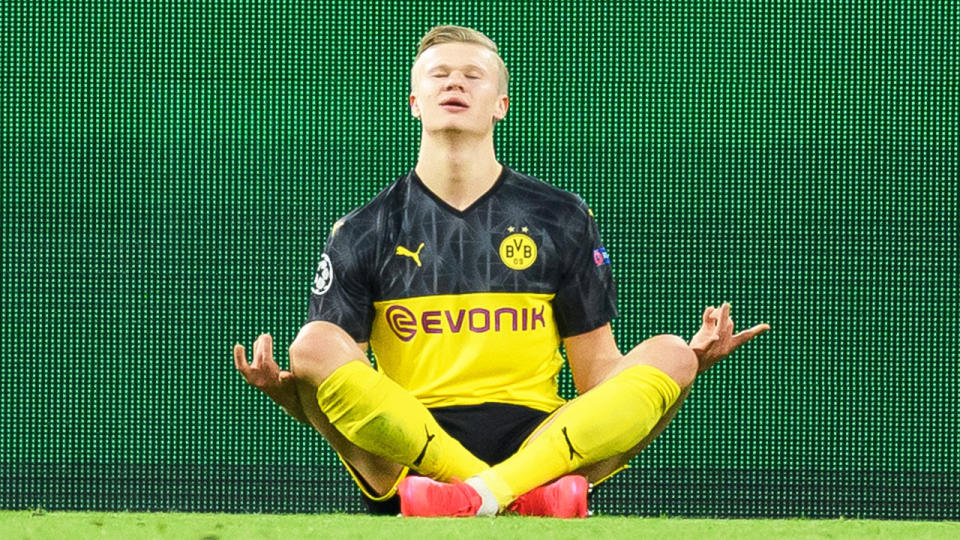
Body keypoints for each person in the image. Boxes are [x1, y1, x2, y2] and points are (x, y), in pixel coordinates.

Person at [233, 25, 769, 518]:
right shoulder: (363, 228)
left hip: (541, 442)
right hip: (412, 451)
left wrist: (683, 370)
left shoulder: (560, 217)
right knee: (312, 346)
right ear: (416, 102)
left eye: (473, 75)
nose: (455, 84)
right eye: (438, 75)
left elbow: (597, 375)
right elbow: (347, 394)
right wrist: (296, 391)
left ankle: (476, 495)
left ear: (501, 105)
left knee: (670, 352)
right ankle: (502, 493)